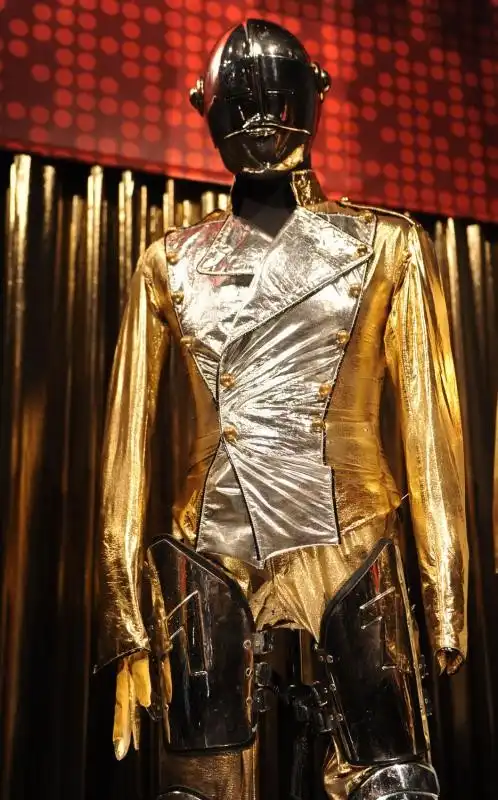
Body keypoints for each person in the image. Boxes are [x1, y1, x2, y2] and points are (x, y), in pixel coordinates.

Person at [98, 19, 468, 800]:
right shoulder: (170, 261)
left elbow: (432, 435)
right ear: (205, 108)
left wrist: (445, 594)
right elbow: (125, 442)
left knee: (393, 783)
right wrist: (123, 612)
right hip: (212, 544)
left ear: (314, 93)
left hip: (351, 533)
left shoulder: (387, 243)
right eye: (240, 100)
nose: (261, 115)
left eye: (277, 95)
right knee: (199, 787)